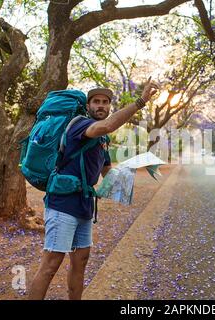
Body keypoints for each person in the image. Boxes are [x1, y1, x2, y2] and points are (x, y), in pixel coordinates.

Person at [28, 77, 159, 300]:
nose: (101, 105)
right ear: (88, 106)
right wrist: (141, 101)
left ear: (110, 106)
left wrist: (138, 166)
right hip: (62, 204)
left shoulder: (102, 139)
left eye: (105, 102)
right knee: (51, 265)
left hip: (84, 206)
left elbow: (107, 172)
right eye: (96, 101)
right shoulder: (80, 125)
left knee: (81, 261)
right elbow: (107, 125)